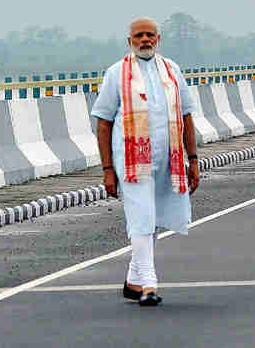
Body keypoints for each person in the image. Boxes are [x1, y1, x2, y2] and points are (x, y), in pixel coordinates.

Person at [91, 16, 200, 307]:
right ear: (130, 41)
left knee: (151, 219)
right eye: (138, 35)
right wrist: (107, 170)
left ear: (158, 39)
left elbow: (186, 116)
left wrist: (193, 160)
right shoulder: (117, 74)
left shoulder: (172, 70)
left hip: (167, 157)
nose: (145, 40)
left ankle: (132, 281)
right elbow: (102, 122)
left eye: (150, 35)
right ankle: (149, 284)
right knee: (141, 218)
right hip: (130, 161)